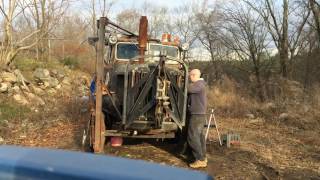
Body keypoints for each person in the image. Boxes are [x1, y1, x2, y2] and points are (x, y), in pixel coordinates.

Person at [187, 69, 207, 168]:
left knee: (192, 137)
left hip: (197, 115)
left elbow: (189, 89)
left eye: (190, 76)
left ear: (194, 75)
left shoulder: (199, 84)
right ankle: (203, 157)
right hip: (199, 114)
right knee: (200, 137)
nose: (189, 78)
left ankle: (200, 159)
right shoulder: (200, 84)